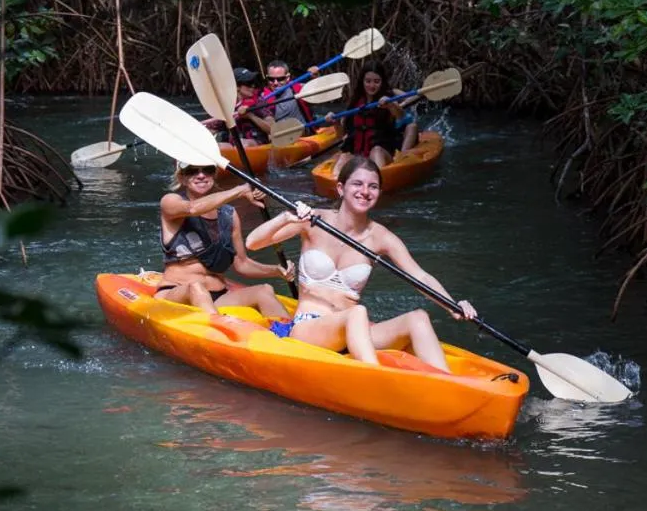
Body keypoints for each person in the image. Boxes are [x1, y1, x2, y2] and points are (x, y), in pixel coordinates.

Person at [245, 157, 477, 373]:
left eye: (373, 186)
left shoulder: (380, 237)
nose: (365, 191)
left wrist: (453, 306)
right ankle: (377, 380)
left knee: (417, 318)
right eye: (357, 184)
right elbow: (253, 243)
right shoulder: (313, 220)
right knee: (357, 313)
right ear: (341, 188)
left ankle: (448, 383)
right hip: (309, 328)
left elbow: (421, 277)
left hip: (355, 332)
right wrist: (286, 217)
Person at [153, 161, 295, 322]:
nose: (201, 175)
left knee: (264, 290)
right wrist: (239, 190)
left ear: (214, 174)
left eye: (207, 170)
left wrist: (276, 270)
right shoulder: (170, 202)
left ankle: (289, 335)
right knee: (196, 288)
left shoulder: (229, 214)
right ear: (182, 177)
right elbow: (192, 208)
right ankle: (221, 328)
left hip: (218, 295)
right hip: (178, 291)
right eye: (192, 171)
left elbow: (242, 264)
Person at [326, 62, 415, 175]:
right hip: (358, 153)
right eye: (368, 81)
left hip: (383, 152)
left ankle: (378, 182)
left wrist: (391, 105)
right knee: (344, 157)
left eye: (376, 81)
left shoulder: (390, 99)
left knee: (376, 151)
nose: (372, 85)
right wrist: (336, 123)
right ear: (362, 82)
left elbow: (401, 117)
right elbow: (341, 137)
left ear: (382, 82)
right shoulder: (355, 103)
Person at [261, 59, 320, 126]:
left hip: (306, 133)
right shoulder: (262, 98)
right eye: (271, 79)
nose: (275, 83)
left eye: (280, 79)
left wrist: (316, 78)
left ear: (288, 77)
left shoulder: (297, 88)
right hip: (282, 135)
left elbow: (319, 95)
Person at [230, 67, 273, 145]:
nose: (253, 86)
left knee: (243, 144)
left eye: (253, 82)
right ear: (237, 87)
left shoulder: (259, 102)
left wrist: (251, 116)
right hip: (234, 145)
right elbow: (214, 127)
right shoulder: (228, 105)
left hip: (257, 143)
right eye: (248, 83)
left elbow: (272, 129)